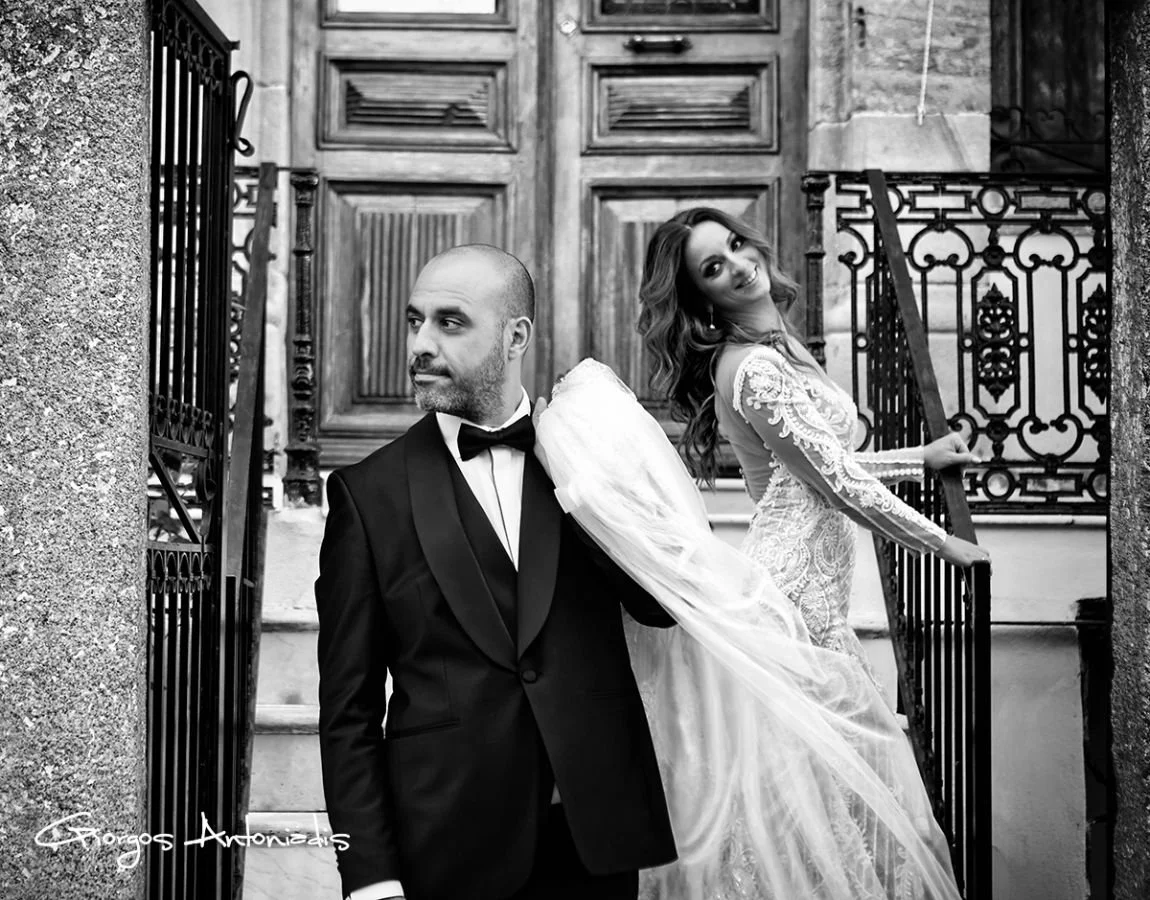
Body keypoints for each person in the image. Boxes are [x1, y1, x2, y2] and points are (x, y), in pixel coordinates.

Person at [314, 244, 677, 900]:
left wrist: (606, 500)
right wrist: (369, 876)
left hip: (593, 843)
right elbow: (349, 711)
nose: (420, 343)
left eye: (450, 323)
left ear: (516, 338)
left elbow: (661, 608)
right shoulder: (367, 498)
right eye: (413, 320)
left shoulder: (586, 462)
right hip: (449, 846)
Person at [636, 207, 990, 682]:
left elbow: (817, 469)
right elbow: (834, 483)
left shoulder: (776, 346)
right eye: (714, 267)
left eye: (735, 244)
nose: (738, 265)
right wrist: (942, 543)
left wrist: (920, 459)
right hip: (797, 595)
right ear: (702, 299)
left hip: (815, 590)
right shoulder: (753, 368)